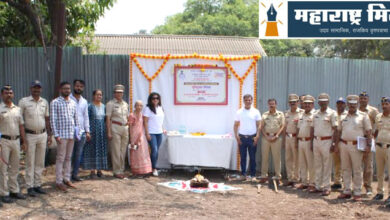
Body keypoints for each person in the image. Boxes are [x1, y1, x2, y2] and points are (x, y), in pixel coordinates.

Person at [337, 95, 372, 201]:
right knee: (345, 168)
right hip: (343, 145)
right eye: (350, 104)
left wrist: (369, 145)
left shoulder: (363, 116)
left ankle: (357, 192)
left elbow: (368, 131)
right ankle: (347, 190)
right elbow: (339, 131)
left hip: (356, 146)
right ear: (347, 104)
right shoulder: (343, 116)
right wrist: (336, 145)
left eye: (354, 104)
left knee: (357, 169)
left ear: (357, 104)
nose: (352, 106)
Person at [19, 80, 51, 197]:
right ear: (30, 89)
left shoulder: (44, 102)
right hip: (30, 135)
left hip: (42, 135)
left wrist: (49, 134)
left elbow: (47, 119)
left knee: (40, 161)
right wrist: (23, 139)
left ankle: (38, 185)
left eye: (38, 88)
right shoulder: (24, 102)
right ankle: (29, 186)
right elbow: (20, 120)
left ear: (41, 89)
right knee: (30, 162)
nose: (36, 90)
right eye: (34, 88)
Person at [50, 81, 79, 192]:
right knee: (60, 158)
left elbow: (75, 119)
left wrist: (77, 132)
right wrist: (56, 135)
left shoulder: (72, 102)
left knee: (68, 157)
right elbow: (53, 120)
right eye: (65, 89)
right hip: (61, 135)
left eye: (68, 89)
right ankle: (59, 181)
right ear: (60, 90)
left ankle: (67, 178)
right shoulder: (55, 102)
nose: (67, 90)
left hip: (71, 134)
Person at [0, 85, 27, 203]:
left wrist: (24, 141)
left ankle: (14, 190)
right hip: (4, 141)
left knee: (15, 168)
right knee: (3, 169)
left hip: (16, 141)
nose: (9, 94)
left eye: (10, 92)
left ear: (13, 94)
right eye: (6, 93)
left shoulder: (17, 109)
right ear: (2, 95)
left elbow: (21, 125)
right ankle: (4, 193)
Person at [310, 93, 338, 196]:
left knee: (327, 165)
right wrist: (311, 143)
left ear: (328, 102)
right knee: (317, 164)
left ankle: (326, 187)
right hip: (316, 141)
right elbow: (312, 128)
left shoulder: (332, 113)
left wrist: (334, 143)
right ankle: (318, 186)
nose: (323, 103)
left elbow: (335, 129)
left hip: (327, 141)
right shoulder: (315, 114)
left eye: (325, 101)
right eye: (321, 101)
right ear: (318, 102)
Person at [233, 94, 261, 181]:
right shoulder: (239, 112)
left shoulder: (256, 111)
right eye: (246, 100)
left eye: (249, 100)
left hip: (252, 138)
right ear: (243, 101)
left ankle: (253, 175)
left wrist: (257, 136)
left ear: (252, 101)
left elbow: (259, 124)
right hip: (242, 138)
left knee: (252, 157)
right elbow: (235, 125)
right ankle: (243, 174)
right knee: (243, 157)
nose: (248, 101)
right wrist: (237, 137)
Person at [83, 89, 108, 178]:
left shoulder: (104, 106)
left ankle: (99, 171)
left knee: (101, 150)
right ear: (93, 96)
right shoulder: (89, 106)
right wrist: (87, 131)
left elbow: (105, 119)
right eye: (97, 95)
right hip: (93, 131)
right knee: (92, 150)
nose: (99, 96)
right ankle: (92, 171)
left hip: (101, 132)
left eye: (100, 95)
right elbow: (86, 119)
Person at [259, 98, 285, 184]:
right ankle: (264, 176)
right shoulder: (265, 115)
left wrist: (277, 135)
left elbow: (282, 126)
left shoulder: (280, 114)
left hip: (276, 138)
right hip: (266, 138)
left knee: (277, 158)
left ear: (276, 104)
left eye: (273, 104)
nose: (271, 105)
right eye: (270, 104)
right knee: (265, 157)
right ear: (268, 105)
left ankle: (278, 177)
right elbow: (261, 127)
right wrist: (266, 136)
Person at [106, 84, 129, 179]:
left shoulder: (125, 104)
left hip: (125, 128)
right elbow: (108, 118)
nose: (119, 94)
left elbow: (127, 117)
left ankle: (122, 169)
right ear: (114, 93)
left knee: (123, 150)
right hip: (115, 127)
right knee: (116, 150)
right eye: (117, 92)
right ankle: (116, 171)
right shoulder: (110, 104)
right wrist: (109, 132)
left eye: (121, 92)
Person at [358, 91, 379, 196]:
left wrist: (373, 137)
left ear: (368, 99)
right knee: (357, 164)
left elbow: (378, 124)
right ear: (358, 99)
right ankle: (357, 186)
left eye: (365, 98)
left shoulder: (373, 111)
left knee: (368, 165)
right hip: (358, 140)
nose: (363, 100)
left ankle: (368, 187)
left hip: (368, 139)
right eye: (361, 98)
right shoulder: (355, 110)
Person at [70, 79, 91, 181]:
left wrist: (87, 131)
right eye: (77, 86)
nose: (79, 88)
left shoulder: (84, 101)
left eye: (81, 87)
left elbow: (86, 116)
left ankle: (75, 174)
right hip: (69, 131)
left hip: (81, 132)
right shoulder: (68, 99)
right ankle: (66, 176)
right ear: (74, 87)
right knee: (68, 154)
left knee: (78, 154)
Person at [296, 95, 315, 190]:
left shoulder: (315, 115)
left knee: (310, 163)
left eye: (309, 104)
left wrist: (312, 143)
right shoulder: (302, 115)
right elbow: (298, 128)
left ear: (313, 104)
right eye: (306, 103)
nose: (307, 105)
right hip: (301, 141)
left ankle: (312, 183)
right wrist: (296, 142)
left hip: (309, 141)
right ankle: (304, 182)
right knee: (302, 163)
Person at [144, 92, 165, 177]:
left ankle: (151, 167)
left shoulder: (160, 108)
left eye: (157, 98)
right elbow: (145, 121)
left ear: (159, 99)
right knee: (154, 150)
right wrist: (147, 133)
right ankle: (154, 168)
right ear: (150, 99)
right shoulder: (148, 108)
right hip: (151, 132)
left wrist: (163, 128)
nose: (155, 100)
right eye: (153, 98)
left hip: (159, 133)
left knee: (155, 151)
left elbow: (161, 120)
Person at [283, 94, 303, 186]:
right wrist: (283, 140)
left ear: (298, 103)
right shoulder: (286, 113)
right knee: (288, 158)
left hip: (296, 138)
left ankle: (296, 178)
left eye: (294, 102)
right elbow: (284, 127)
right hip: (287, 137)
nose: (293, 104)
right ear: (289, 103)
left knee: (296, 159)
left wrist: (298, 141)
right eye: (291, 103)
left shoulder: (301, 113)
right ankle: (290, 177)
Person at [129, 100, 152, 176]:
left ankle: (145, 170)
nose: (139, 107)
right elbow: (130, 127)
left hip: (141, 136)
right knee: (135, 152)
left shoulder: (142, 115)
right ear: (135, 106)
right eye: (138, 105)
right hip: (134, 136)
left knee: (143, 152)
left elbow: (143, 125)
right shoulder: (132, 115)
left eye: (141, 106)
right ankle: (136, 171)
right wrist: (131, 138)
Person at [373, 97, 390, 202]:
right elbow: (376, 131)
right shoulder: (378, 116)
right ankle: (380, 192)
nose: (384, 106)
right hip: (379, 146)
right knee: (380, 172)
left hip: (389, 147)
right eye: (383, 104)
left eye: (386, 104)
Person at [332, 97, 347, 190]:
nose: (340, 105)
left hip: (344, 141)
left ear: (345, 105)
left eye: (342, 103)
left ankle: (346, 183)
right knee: (337, 163)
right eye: (339, 103)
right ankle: (337, 181)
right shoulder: (333, 114)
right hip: (334, 141)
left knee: (345, 164)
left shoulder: (347, 115)